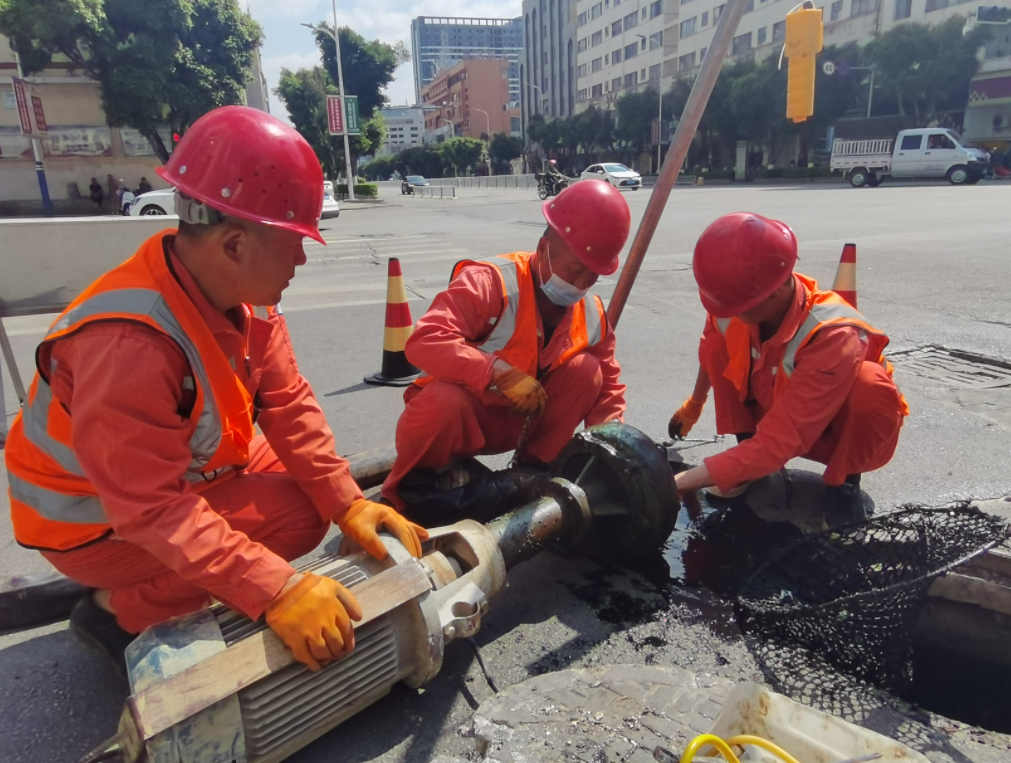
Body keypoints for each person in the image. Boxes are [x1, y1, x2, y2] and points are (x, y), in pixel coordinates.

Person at [4, 106, 428, 676]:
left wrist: (347, 501)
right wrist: (275, 590)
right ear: (233, 245)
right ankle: (115, 611)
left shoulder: (243, 295)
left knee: (316, 493)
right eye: (294, 241)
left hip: (175, 471)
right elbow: (150, 508)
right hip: (90, 518)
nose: (303, 256)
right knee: (294, 519)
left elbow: (287, 402)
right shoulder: (129, 344)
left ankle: (173, 579)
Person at [382, 180, 630, 512]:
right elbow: (425, 341)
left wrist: (611, 448)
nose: (582, 284)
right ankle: (409, 493)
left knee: (588, 371)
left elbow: (609, 391)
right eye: (575, 270)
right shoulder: (491, 282)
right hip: (469, 420)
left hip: (526, 424)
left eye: (593, 276)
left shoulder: (592, 313)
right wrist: (496, 372)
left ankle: (534, 472)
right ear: (543, 249)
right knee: (441, 401)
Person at [670, 213, 908, 524]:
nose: (732, 313)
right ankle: (748, 461)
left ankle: (845, 484)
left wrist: (682, 482)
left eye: (739, 307)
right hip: (774, 411)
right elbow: (710, 355)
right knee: (718, 343)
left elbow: (784, 437)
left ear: (775, 291)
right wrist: (695, 404)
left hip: (827, 431)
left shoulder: (834, 334)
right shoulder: (736, 302)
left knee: (869, 385)